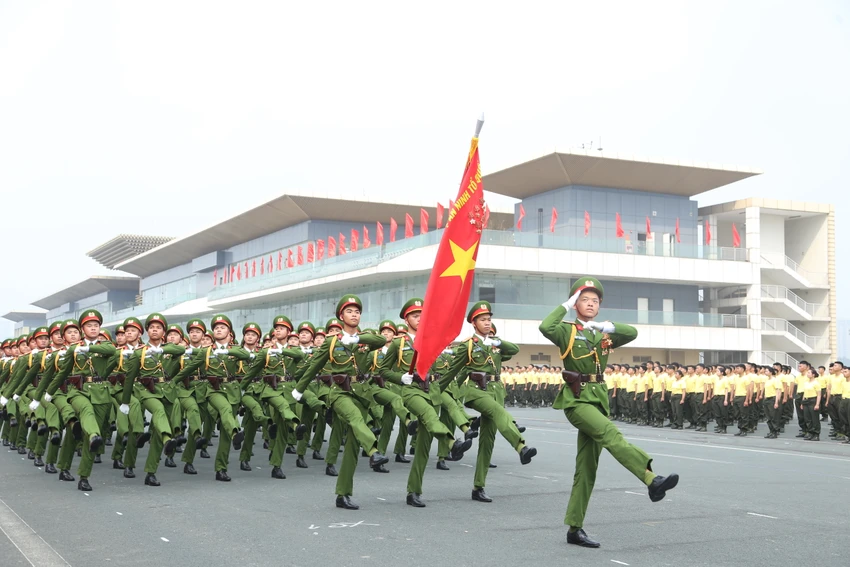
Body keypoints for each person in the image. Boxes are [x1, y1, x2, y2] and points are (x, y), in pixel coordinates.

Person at [539, 277, 679, 548]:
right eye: (584, 300)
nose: (590, 304)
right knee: (611, 434)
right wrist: (564, 306)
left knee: (587, 468)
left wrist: (606, 326)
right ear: (575, 304)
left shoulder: (601, 334)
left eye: (595, 301)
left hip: (598, 399)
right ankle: (650, 478)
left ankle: (574, 528)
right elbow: (546, 326)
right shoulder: (566, 331)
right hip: (576, 400)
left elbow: (632, 333)